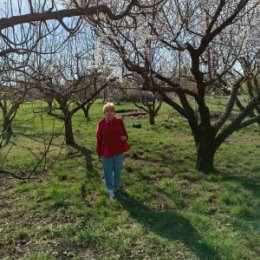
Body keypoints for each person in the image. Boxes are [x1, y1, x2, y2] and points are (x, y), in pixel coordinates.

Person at [96, 102, 130, 199]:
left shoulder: (119, 121)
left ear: (114, 112)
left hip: (119, 151)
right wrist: (99, 153)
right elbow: (98, 140)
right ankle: (110, 190)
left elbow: (125, 134)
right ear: (104, 113)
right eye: (107, 111)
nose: (109, 113)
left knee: (118, 170)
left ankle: (116, 186)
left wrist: (125, 138)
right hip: (106, 152)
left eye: (111, 111)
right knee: (108, 172)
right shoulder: (101, 124)